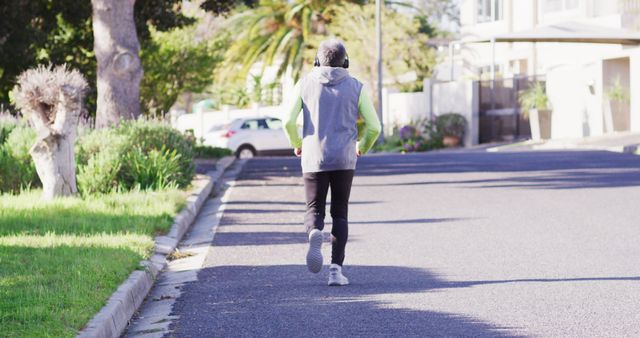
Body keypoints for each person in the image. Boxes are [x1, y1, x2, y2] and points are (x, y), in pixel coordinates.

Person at [283, 39, 381, 286]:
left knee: (314, 209)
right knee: (340, 214)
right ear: (345, 62)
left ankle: (314, 232)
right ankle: (336, 271)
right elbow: (375, 127)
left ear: (317, 61)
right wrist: (363, 147)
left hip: (313, 156)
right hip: (344, 158)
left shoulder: (304, 84)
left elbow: (287, 121)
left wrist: (297, 142)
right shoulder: (357, 86)